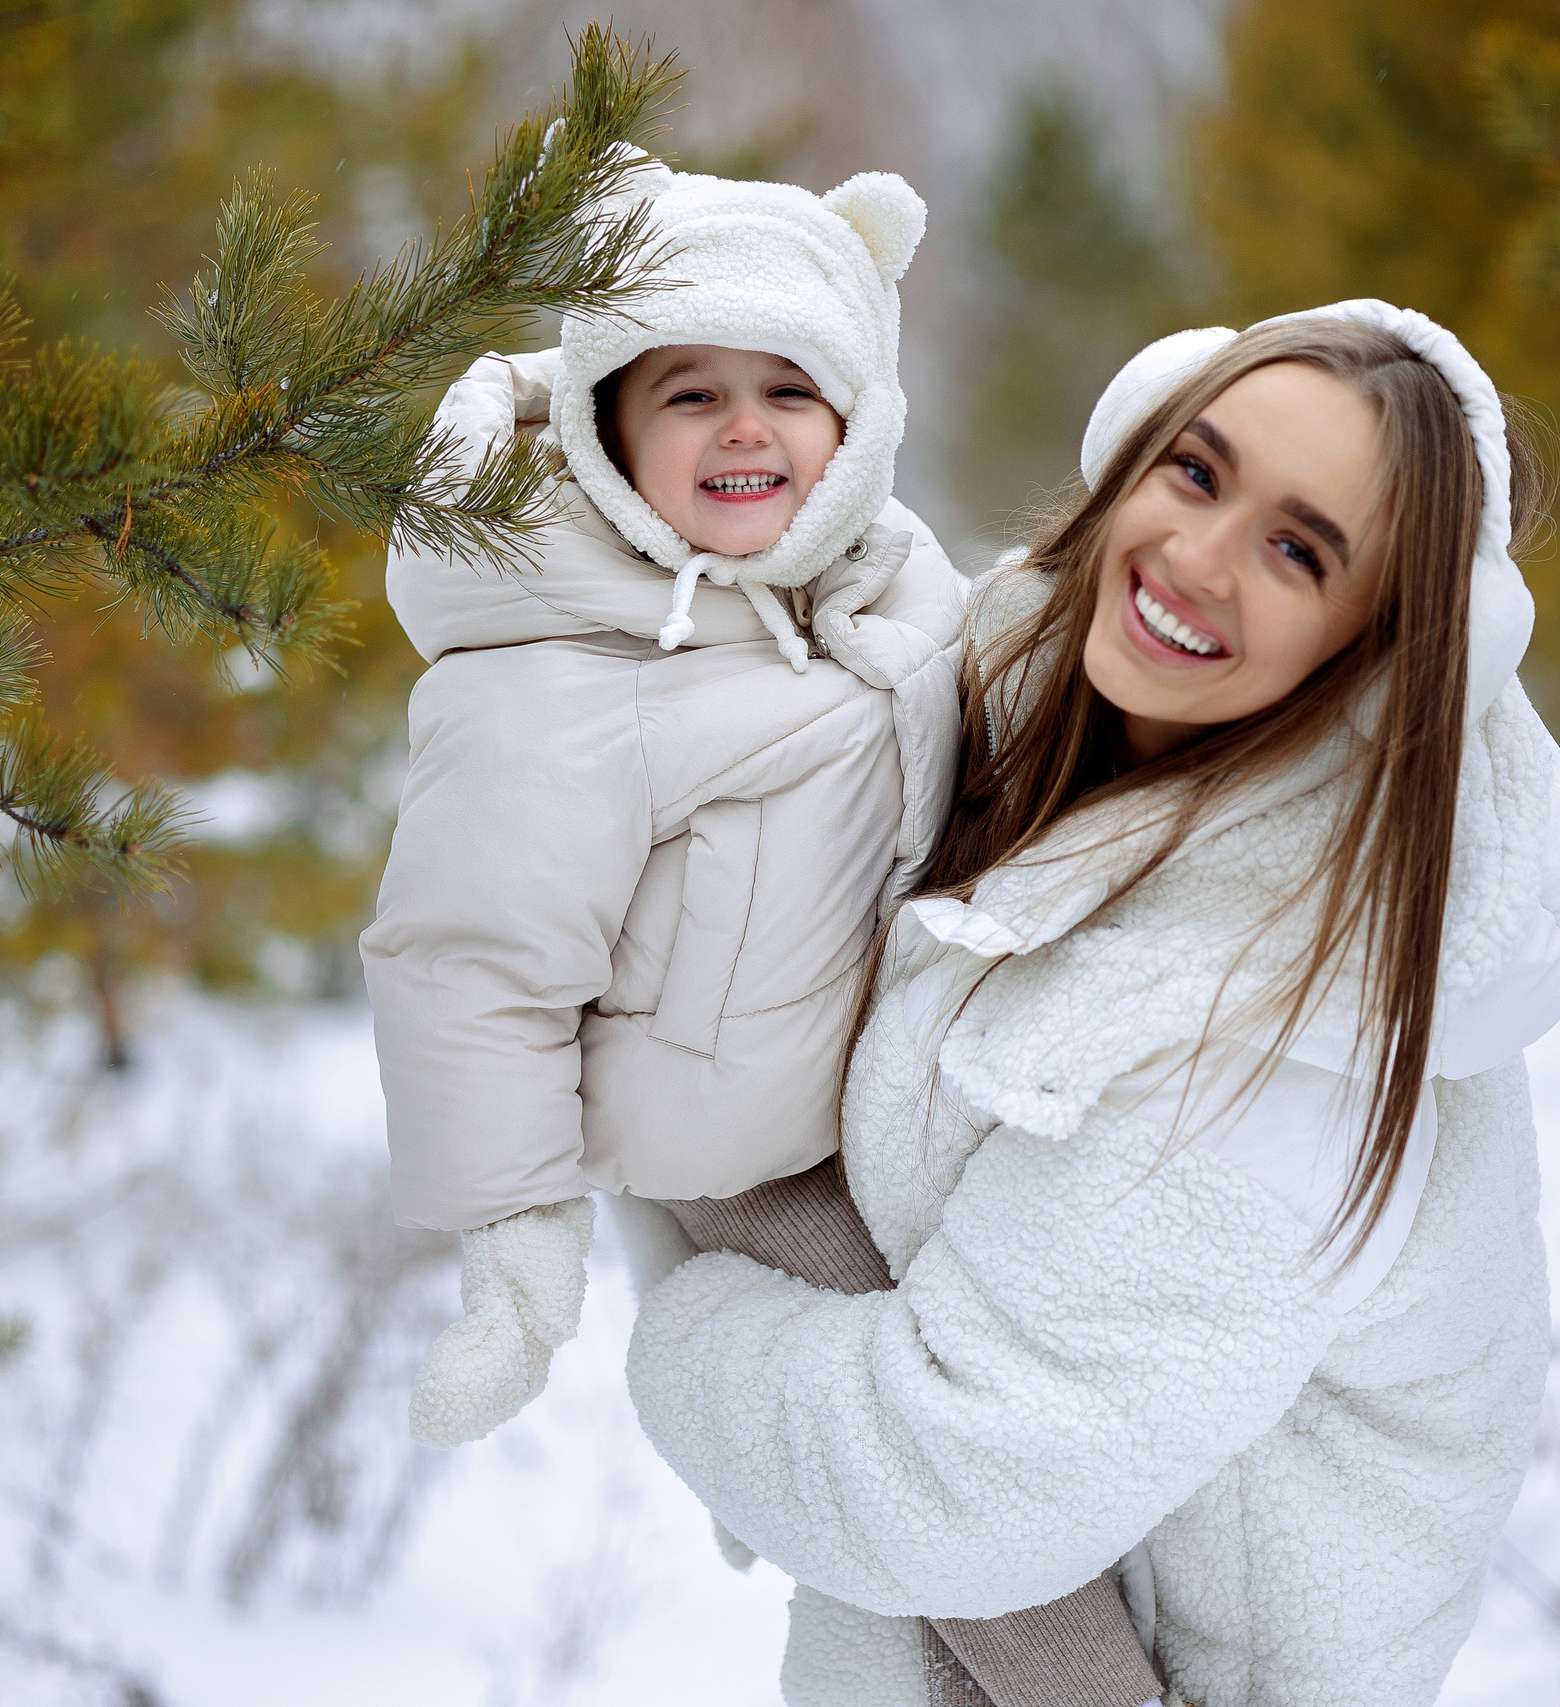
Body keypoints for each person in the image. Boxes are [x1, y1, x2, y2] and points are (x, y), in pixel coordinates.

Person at [622, 301, 1560, 1707]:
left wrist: (694, 1313)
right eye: (1196, 472)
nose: (1196, 559)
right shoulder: (1038, 720)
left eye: (1297, 549)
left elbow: (946, 1488)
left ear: (1374, 648)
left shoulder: (1277, 1029)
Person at [360, 153, 1168, 1707]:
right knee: (949, 1454)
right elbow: (472, 967)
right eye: (690, 395)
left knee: (1057, 1380)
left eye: (789, 389)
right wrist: (518, 1258)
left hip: (908, 1088)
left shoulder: (882, 575)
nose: (745, 428)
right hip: (751, 1158)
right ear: (607, 434)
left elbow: (985, 701)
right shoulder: (555, 675)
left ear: (857, 424)